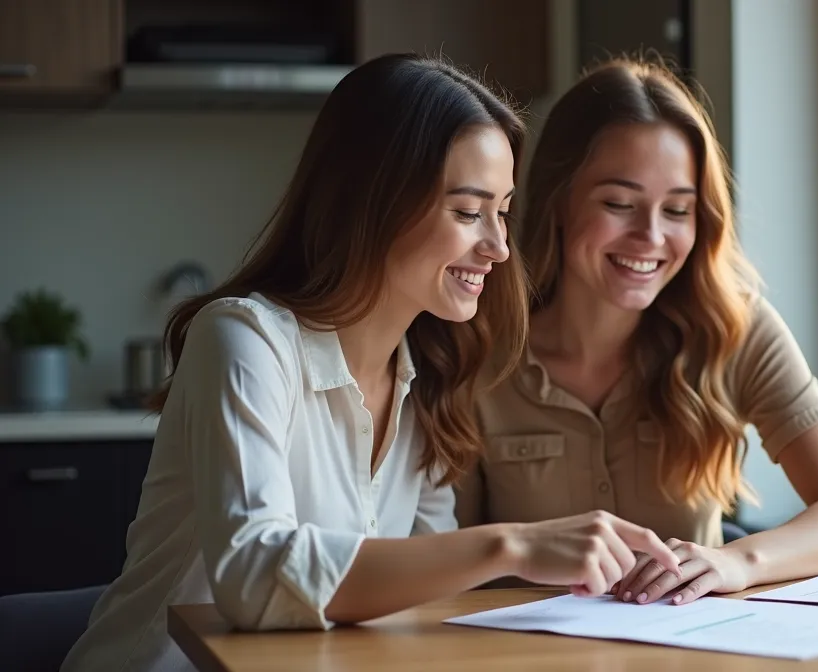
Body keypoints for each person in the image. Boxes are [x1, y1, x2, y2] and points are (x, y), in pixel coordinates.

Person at [61, 54, 679, 672]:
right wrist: (512, 544)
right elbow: (252, 575)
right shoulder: (244, 339)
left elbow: (422, 598)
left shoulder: (433, 374)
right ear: (374, 203)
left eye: (503, 211)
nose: (497, 247)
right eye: (468, 212)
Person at [454, 57, 818, 607]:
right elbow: (448, 553)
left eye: (677, 210)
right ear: (558, 198)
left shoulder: (733, 326)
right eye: (619, 204)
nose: (650, 236)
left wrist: (737, 561)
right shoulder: (475, 344)